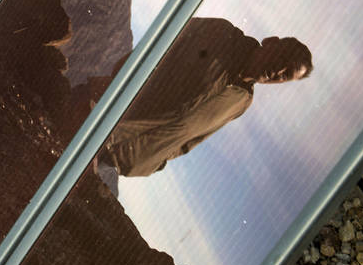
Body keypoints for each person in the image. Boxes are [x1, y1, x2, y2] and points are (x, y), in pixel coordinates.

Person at [100, 16, 312, 177]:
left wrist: (155, 160)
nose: (278, 70)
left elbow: (192, 139)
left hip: (119, 160)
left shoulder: (242, 102)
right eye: (283, 57)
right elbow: (162, 40)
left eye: (286, 74)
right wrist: (115, 83)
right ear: (271, 41)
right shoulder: (222, 34)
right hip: (101, 114)